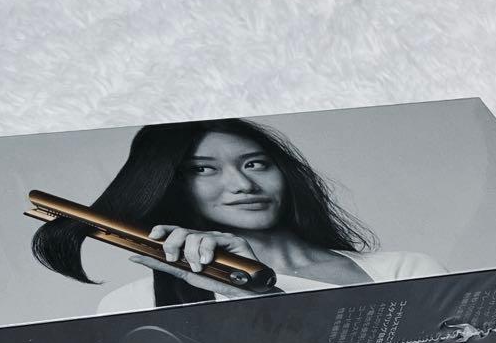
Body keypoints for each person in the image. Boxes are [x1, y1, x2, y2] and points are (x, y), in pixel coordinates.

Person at [30, 117, 445, 312]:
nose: (243, 185)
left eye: (255, 164)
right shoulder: (136, 303)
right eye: (202, 170)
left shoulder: (406, 271)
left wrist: (268, 302)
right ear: (170, 184)